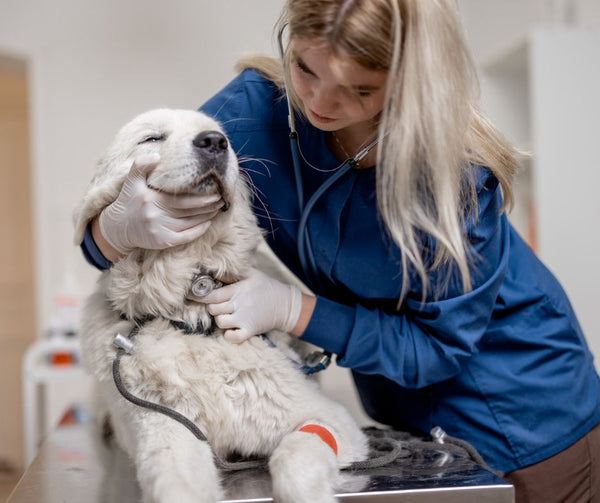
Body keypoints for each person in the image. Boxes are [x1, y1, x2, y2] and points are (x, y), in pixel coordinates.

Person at [80, 1, 600, 501]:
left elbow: (438, 348)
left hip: (529, 409)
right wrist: (113, 230)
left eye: (360, 90)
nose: (321, 103)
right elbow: (131, 207)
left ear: (410, 81)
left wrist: (293, 309)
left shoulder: (455, 179)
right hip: (405, 415)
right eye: (306, 69)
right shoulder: (253, 111)